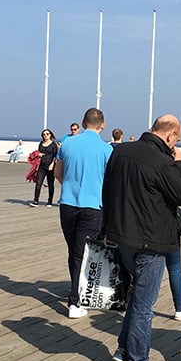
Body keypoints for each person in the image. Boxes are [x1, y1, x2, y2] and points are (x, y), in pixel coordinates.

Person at [102, 115, 181, 361]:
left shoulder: (120, 151)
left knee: (136, 296)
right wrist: (179, 164)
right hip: (151, 240)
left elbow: (107, 188)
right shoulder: (164, 162)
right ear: (170, 136)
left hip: (121, 235)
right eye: (176, 138)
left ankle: (123, 349)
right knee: (144, 303)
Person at [55, 108, 113, 319]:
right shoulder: (106, 150)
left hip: (68, 203)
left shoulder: (68, 143)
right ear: (103, 125)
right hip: (92, 205)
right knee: (84, 253)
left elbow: (57, 173)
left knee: (74, 250)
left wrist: (70, 187)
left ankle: (75, 289)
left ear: (82, 122)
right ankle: (75, 299)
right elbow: (110, 182)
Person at [30, 129, 58, 206]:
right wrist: (38, 154)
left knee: (50, 184)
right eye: (44, 134)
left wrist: (52, 164)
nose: (45, 135)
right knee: (38, 183)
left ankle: (50, 201)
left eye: (47, 134)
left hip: (50, 166)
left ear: (50, 135)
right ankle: (36, 201)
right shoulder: (41, 143)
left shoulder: (53, 145)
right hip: (41, 166)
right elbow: (39, 152)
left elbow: (55, 156)